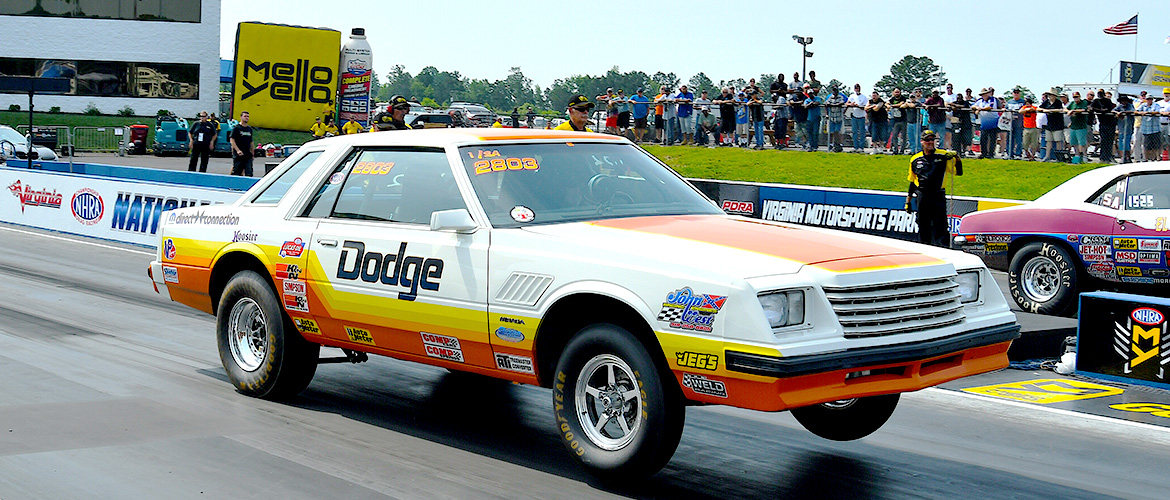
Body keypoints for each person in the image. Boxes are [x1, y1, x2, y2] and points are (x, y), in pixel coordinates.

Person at [905, 130, 962, 248]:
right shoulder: (915, 159)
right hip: (922, 196)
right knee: (923, 225)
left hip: (938, 195)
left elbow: (958, 172)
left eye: (932, 139)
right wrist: (908, 201)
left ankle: (944, 250)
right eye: (927, 140)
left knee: (940, 226)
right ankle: (924, 250)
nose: (930, 142)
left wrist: (957, 158)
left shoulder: (943, 155)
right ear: (922, 142)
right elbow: (912, 181)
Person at [1089, 89, 1116, 163]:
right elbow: (1090, 108)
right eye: (1099, 93)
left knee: (1109, 141)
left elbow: (1107, 109)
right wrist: (1099, 110)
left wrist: (1098, 110)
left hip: (1110, 123)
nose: (1100, 95)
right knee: (1103, 141)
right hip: (1102, 123)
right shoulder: (1096, 101)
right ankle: (1102, 157)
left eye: (1101, 93)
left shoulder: (1107, 101)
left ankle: (1108, 157)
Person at [973, 88, 999, 159]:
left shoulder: (992, 99)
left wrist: (980, 109)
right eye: (982, 95)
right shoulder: (980, 100)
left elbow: (989, 107)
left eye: (984, 94)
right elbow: (973, 106)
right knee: (983, 139)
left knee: (992, 139)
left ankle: (991, 154)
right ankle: (983, 153)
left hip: (993, 122)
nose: (983, 96)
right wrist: (977, 107)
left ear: (988, 94)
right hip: (984, 123)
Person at [1040, 90, 1065, 161]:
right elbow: (1039, 108)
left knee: (1058, 141)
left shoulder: (1058, 102)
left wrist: (1050, 110)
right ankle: (1047, 156)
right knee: (1048, 141)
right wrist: (1044, 110)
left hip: (1057, 125)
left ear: (1054, 96)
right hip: (1049, 124)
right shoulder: (1046, 102)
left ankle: (1058, 157)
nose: (1049, 96)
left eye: (1051, 95)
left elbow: (1060, 109)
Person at [228, 111, 254, 177]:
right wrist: (237, 150)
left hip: (247, 154)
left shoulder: (249, 129)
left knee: (249, 172)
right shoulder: (236, 128)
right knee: (237, 172)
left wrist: (253, 153)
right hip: (239, 155)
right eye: (245, 116)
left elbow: (251, 142)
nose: (246, 118)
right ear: (241, 117)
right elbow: (232, 140)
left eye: (248, 116)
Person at [1066, 92, 1090, 162]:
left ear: (1079, 96)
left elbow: (1083, 109)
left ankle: (1084, 156)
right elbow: (1065, 109)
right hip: (1073, 126)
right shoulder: (1072, 103)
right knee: (1074, 142)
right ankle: (1077, 155)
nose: (1076, 98)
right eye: (1074, 97)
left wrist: (1073, 111)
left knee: (1082, 143)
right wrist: (1069, 111)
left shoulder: (1084, 102)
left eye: (1077, 97)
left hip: (1081, 126)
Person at [1137, 94, 1162, 161]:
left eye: (1150, 99)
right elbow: (1136, 111)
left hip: (1155, 129)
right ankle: (1146, 159)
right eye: (1148, 99)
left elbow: (1157, 111)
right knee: (1146, 146)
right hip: (1145, 129)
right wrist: (1142, 112)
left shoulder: (1156, 105)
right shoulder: (1143, 105)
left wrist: (1148, 112)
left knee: (1156, 146)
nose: (1149, 100)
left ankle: (1155, 158)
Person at [846, 83, 868, 152]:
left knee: (862, 132)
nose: (857, 89)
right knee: (854, 132)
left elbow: (865, 107)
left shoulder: (864, 97)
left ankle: (861, 147)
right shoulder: (852, 96)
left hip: (861, 116)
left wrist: (858, 105)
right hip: (854, 116)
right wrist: (851, 104)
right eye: (855, 88)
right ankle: (855, 146)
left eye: (858, 88)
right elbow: (847, 103)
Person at [888, 88, 909, 154]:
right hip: (895, 120)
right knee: (894, 135)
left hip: (903, 120)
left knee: (903, 136)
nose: (897, 93)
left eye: (898, 92)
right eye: (895, 92)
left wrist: (892, 106)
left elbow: (901, 104)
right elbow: (887, 103)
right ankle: (895, 149)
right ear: (893, 93)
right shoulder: (892, 99)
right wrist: (888, 105)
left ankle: (902, 150)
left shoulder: (903, 98)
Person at [1006, 89, 1026, 159]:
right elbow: (1005, 110)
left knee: (1019, 139)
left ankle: (1018, 154)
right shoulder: (1009, 102)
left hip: (1019, 123)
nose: (1016, 94)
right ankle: (1009, 153)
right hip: (1010, 123)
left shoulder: (1023, 102)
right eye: (1014, 93)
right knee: (1009, 139)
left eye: (1017, 93)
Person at [824, 86, 846, 152]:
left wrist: (833, 104)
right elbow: (826, 103)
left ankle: (838, 145)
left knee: (837, 131)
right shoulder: (830, 97)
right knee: (831, 132)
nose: (835, 92)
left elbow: (841, 103)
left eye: (836, 90)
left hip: (839, 118)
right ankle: (832, 145)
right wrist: (827, 112)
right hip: (832, 117)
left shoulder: (840, 97)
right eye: (833, 90)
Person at [1115, 95, 1136, 163]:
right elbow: (1113, 111)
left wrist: (1124, 113)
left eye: (1124, 100)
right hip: (1121, 127)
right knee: (1121, 141)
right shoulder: (1119, 106)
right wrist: (1118, 113)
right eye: (1122, 100)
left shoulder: (1130, 105)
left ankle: (1127, 156)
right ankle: (1122, 156)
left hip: (1128, 127)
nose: (1123, 102)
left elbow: (1133, 111)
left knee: (1127, 142)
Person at [747, 84, 768, 149]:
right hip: (754, 118)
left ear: (756, 94)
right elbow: (747, 104)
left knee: (760, 131)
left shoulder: (759, 98)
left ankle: (761, 144)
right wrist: (752, 101)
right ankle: (757, 143)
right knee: (756, 132)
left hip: (760, 118)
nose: (752, 96)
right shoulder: (751, 100)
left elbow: (760, 102)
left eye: (753, 94)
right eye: (751, 95)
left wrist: (755, 100)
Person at [803, 85, 823, 151]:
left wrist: (811, 104)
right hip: (809, 118)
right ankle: (811, 146)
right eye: (809, 94)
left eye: (811, 94)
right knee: (810, 133)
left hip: (816, 118)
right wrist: (810, 104)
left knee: (815, 132)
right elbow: (805, 106)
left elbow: (817, 103)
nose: (810, 95)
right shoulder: (807, 100)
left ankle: (815, 146)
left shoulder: (817, 98)